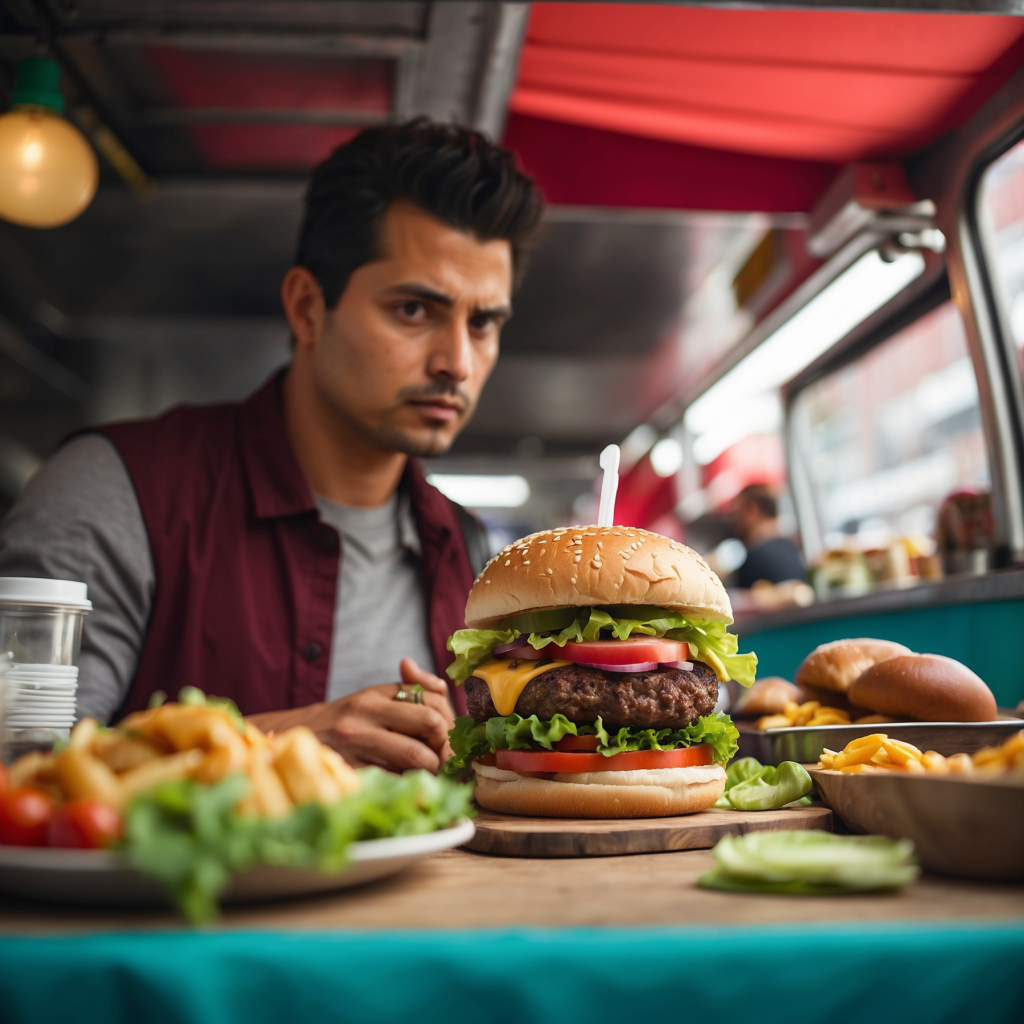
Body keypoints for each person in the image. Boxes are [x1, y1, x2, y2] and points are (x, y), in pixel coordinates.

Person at [0, 119, 544, 774]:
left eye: (483, 322)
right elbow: (19, 775)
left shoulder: (471, 550)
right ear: (309, 307)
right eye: (413, 310)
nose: (457, 361)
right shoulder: (114, 492)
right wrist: (280, 742)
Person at [729, 484, 806, 589]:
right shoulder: (793, 549)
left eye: (737, 513)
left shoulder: (755, 557)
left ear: (752, 509)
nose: (734, 520)